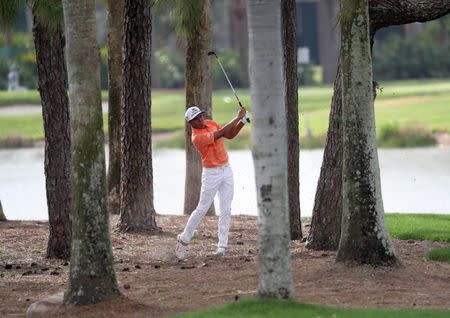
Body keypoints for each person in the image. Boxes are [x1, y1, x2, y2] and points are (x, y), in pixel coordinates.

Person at [176, 105, 248, 260]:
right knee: (202, 209)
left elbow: (229, 135)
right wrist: (237, 116)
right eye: (196, 118)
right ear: (191, 123)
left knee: (226, 209)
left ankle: (222, 247)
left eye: (201, 116)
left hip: (226, 170)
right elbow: (220, 133)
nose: (201, 119)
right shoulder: (197, 138)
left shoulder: (211, 123)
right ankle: (183, 240)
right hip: (211, 174)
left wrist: (242, 122)